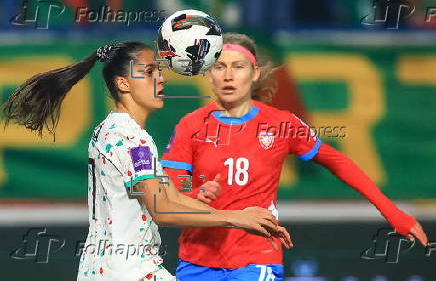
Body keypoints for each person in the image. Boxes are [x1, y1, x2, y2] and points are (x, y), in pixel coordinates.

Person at [2, 41, 291, 281]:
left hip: (103, 270)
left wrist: (242, 215)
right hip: (131, 271)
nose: (161, 78)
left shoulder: (111, 130)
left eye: (159, 71)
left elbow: (170, 195)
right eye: (149, 71)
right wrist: (234, 218)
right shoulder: (131, 139)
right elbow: (161, 210)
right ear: (123, 83)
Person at [161, 33, 430, 281]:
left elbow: (339, 162)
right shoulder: (191, 125)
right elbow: (172, 190)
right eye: (220, 67)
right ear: (209, 74)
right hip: (197, 257)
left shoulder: (282, 124)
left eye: (238, 66)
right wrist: (195, 192)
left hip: (256, 258)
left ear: (255, 74)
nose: (228, 75)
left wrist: (392, 212)